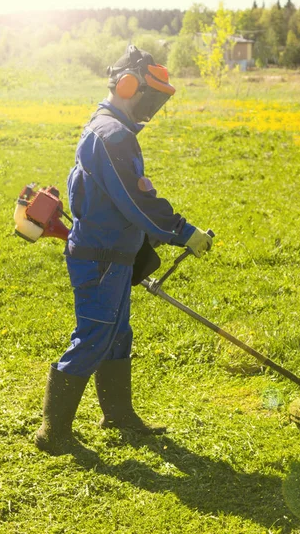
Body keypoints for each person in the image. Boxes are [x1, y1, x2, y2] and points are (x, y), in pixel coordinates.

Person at [35, 45, 213, 453]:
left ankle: (117, 414)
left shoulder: (112, 129)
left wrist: (146, 240)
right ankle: (53, 432)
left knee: (117, 335)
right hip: (99, 259)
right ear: (129, 85)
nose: (151, 107)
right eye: (149, 96)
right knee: (95, 336)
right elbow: (137, 202)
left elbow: (121, 203)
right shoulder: (111, 135)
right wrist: (181, 231)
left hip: (113, 256)